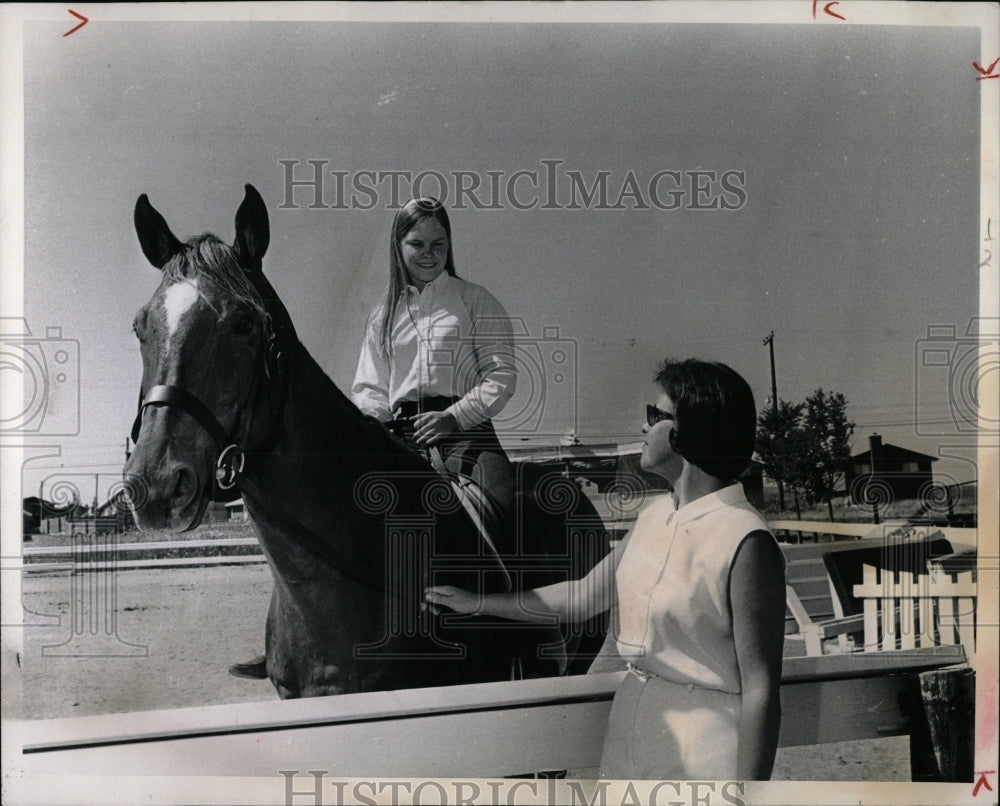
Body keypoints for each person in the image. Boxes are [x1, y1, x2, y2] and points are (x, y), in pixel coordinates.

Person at [425, 359, 786, 780]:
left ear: (688, 429)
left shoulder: (745, 539)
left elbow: (761, 689)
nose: (643, 428)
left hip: (704, 755)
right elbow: (581, 597)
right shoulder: (654, 517)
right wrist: (478, 603)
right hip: (633, 738)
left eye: (655, 415)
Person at [351, 197, 518, 551]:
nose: (428, 253)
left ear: (449, 245)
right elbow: (370, 389)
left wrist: (452, 418)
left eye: (438, 244)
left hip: (468, 435)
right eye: (417, 244)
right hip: (401, 437)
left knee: (504, 503)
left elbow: (500, 376)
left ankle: (507, 598)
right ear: (398, 246)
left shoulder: (474, 300)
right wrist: (379, 431)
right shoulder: (382, 316)